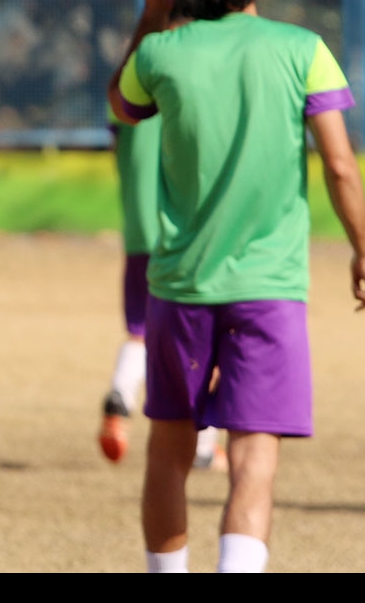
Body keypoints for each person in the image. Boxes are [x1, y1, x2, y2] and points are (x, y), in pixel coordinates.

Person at [107, 0, 365, 573]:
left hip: (178, 287)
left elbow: (122, 102)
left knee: (169, 455)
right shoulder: (303, 51)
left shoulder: (163, 53)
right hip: (270, 291)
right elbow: (341, 164)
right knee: (254, 459)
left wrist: (151, 12)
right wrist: (363, 250)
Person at [99, 112, 224, 472]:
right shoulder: (188, 91)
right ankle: (203, 443)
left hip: (139, 233)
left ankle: (122, 390)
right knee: (206, 335)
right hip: (184, 234)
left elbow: (118, 149)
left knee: (139, 328)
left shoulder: (127, 93)